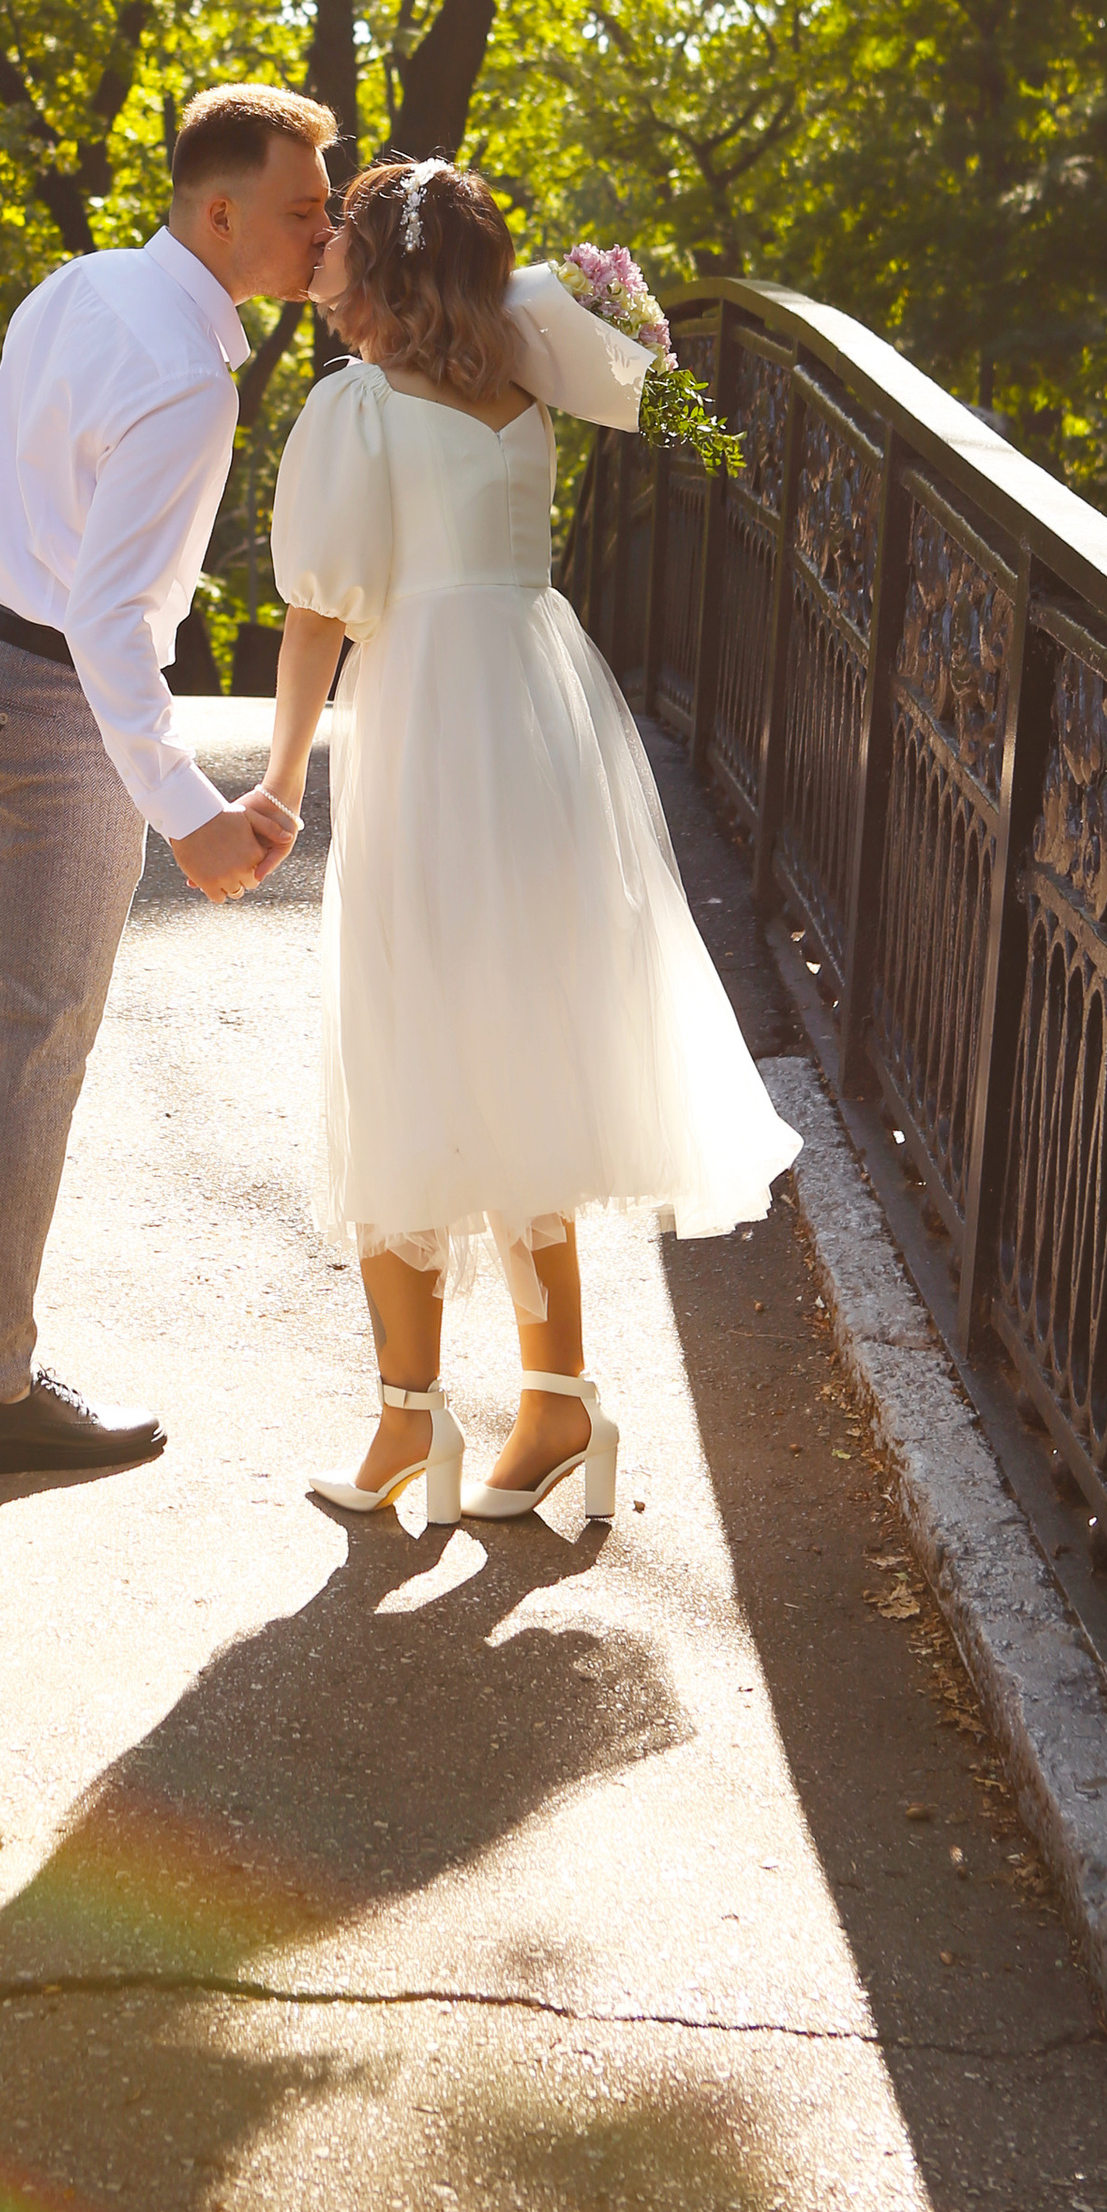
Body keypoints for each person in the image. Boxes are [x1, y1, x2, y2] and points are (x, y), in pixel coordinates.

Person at [258, 156, 800, 1524]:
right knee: (519, 1042)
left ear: (377, 271)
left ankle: (408, 1428)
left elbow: (322, 608)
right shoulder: (529, 374)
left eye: (337, 243)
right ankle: (555, 1401)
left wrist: (277, 781)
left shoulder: (358, 408)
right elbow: (648, 391)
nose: (315, 256)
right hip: (545, 705)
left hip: (436, 713)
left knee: (409, 1041)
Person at [0, 85, 336, 1476]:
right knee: (32, 1042)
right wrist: (193, 816)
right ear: (220, 213)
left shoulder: (78, 286)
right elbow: (109, 617)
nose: (323, 231)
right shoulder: (186, 377)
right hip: (50, 711)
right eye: (301, 210)